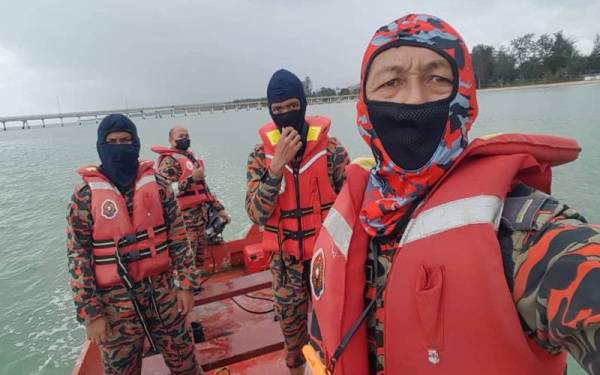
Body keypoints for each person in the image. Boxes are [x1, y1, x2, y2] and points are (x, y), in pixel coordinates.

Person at [306, 14, 600, 375]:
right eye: (391, 82)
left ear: (465, 94)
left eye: (437, 79)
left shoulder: (522, 233)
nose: (413, 100)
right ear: (364, 103)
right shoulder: (351, 217)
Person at [66, 114, 201, 374]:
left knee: (186, 364)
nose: (119, 147)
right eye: (112, 141)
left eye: (125, 141)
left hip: (162, 294)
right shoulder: (84, 197)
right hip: (115, 307)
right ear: (101, 146)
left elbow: (179, 239)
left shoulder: (160, 187)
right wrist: (91, 314)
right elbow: (78, 257)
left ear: (136, 143)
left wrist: (186, 286)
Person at [245, 69, 350, 374]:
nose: (285, 115)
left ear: (303, 105)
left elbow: (352, 206)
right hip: (285, 266)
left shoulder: (331, 151)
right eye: (277, 110)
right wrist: (276, 167)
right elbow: (256, 214)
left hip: (326, 261)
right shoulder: (259, 157)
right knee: (294, 344)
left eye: (292, 106)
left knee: (335, 332)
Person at [152, 125, 229, 278]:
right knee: (186, 257)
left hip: (200, 218)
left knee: (199, 257)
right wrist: (191, 178)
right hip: (183, 222)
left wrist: (220, 209)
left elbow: (203, 188)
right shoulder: (169, 162)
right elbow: (165, 191)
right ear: (171, 140)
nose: (185, 139)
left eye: (186, 135)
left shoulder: (191, 159)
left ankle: (196, 286)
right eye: (180, 136)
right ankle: (186, 290)